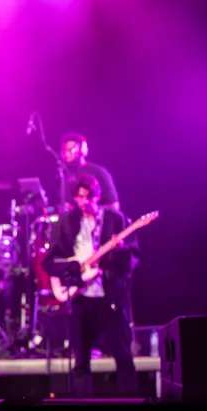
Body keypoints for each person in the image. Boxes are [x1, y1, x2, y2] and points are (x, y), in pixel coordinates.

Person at [42, 175, 139, 397]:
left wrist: (120, 251)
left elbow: (133, 256)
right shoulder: (67, 222)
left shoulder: (115, 219)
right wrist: (74, 268)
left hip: (110, 295)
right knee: (81, 360)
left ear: (97, 196)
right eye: (80, 197)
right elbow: (50, 261)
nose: (84, 202)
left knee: (123, 355)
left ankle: (133, 399)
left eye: (89, 197)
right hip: (81, 297)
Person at [60, 133, 120, 210]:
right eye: (64, 151)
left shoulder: (99, 172)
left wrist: (91, 211)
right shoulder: (62, 175)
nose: (66, 154)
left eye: (70, 150)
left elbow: (114, 205)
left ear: (82, 149)